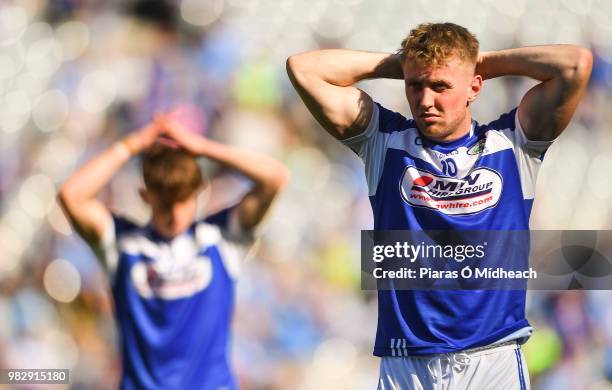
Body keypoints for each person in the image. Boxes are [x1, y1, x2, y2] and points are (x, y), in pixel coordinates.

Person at [287, 22, 592, 389]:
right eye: (415, 85)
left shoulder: (513, 144)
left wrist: (480, 62)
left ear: (474, 88)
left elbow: (575, 63)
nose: (426, 100)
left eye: (441, 86)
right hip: (407, 366)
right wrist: (400, 64)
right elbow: (303, 68)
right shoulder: (383, 142)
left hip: (491, 361)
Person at [58, 112, 289, 389]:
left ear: (199, 193)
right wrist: (132, 145)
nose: (175, 214)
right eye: (165, 203)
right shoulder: (123, 244)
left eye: (183, 201)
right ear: (145, 197)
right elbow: (71, 195)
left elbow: (275, 177)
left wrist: (203, 148)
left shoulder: (220, 238)